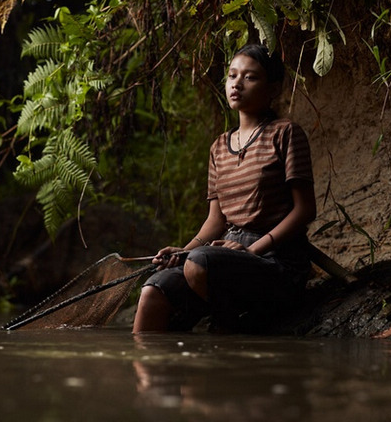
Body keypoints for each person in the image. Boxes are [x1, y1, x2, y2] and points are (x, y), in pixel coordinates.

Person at [132, 44, 317, 334]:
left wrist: (252, 250)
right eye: (232, 76)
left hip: (275, 259)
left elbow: (305, 209)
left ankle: (227, 331)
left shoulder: (285, 133)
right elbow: (216, 221)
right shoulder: (219, 146)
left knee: (199, 264)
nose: (237, 84)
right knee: (153, 290)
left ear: (273, 89)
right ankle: (144, 373)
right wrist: (183, 250)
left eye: (250, 77)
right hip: (223, 254)